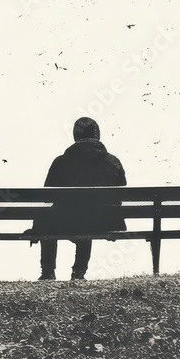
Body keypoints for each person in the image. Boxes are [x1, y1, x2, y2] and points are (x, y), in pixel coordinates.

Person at [30, 117, 126, 281]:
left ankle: (47, 272)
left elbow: (48, 194)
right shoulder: (112, 162)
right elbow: (121, 189)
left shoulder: (61, 162)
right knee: (87, 217)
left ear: (75, 136)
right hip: (104, 221)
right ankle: (78, 273)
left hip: (66, 220)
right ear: (97, 135)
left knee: (47, 219)